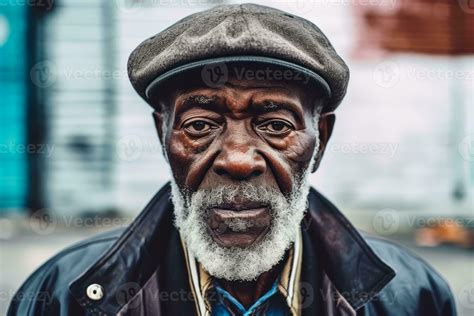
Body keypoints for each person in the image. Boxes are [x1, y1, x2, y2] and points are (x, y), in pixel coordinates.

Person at [9, 4, 456, 315]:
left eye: (276, 125)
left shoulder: (410, 297)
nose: (239, 160)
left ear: (319, 139)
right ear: (162, 136)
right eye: (201, 126)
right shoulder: (62, 296)